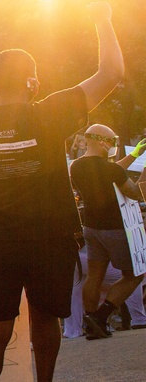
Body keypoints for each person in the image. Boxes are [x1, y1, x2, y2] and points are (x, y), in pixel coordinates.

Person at [0, 3, 123, 382]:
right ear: (30, 81)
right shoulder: (49, 113)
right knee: (46, 321)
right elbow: (111, 73)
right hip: (49, 239)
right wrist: (102, 20)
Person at [69, 124, 146, 339]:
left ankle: (91, 321)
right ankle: (101, 317)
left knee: (94, 276)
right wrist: (144, 173)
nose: (113, 145)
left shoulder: (76, 166)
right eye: (112, 141)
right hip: (115, 228)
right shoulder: (111, 169)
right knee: (135, 275)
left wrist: (134, 154)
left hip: (91, 228)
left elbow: (110, 171)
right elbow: (134, 193)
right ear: (103, 141)